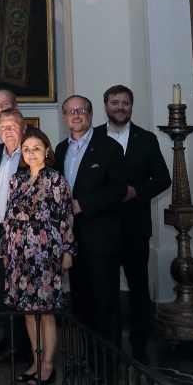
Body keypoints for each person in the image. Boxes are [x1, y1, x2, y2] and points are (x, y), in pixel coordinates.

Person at [95, 84, 172, 361]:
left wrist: (136, 191)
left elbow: (163, 179)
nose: (119, 107)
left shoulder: (147, 139)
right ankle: (108, 342)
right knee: (105, 288)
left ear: (131, 106)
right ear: (105, 105)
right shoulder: (93, 138)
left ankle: (141, 343)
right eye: (114, 102)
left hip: (135, 228)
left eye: (125, 103)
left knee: (139, 286)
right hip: (101, 229)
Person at [0, 127, 75, 385]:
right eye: (27, 149)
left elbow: (66, 217)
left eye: (37, 149)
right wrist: (4, 250)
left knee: (46, 311)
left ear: (47, 152)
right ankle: (35, 360)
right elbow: (9, 218)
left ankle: (48, 365)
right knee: (29, 312)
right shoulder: (17, 179)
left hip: (46, 252)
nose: (31, 154)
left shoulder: (55, 179)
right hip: (19, 253)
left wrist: (68, 252)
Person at [54, 95, 128, 348]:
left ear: (91, 114)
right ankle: (88, 358)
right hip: (72, 240)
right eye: (70, 111)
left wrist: (82, 204)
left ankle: (109, 365)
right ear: (64, 117)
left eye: (81, 110)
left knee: (104, 303)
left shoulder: (110, 148)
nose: (76, 115)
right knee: (81, 301)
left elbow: (118, 190)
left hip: (101, 239)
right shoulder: (60, 149)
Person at [0, 108, 30, 362]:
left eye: (12, 126)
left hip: (24, 235)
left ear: (23, 129)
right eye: (2, 127)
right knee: (2, 291)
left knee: (22, 292)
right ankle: (9, 343)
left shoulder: (31, 155)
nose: (7, 130)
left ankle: (23, 348)